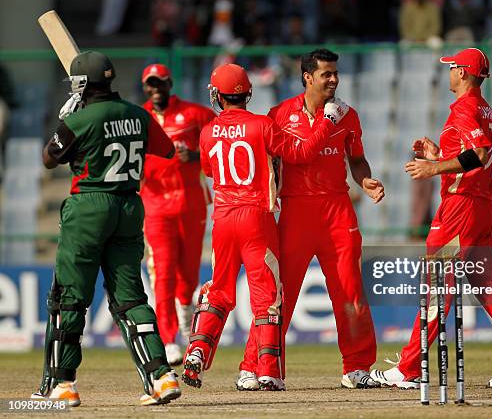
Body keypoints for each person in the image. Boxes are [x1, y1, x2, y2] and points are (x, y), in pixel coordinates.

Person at [370, 48, 492, 389]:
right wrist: (440, 154)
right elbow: (473, 154)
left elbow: (476, 155)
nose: (448, 73)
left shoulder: (464, 108)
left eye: (451, 68)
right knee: (488, 281)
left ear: (463, 73)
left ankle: (409, 368)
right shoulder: (485, 109)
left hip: (459, 208)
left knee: (436, 288)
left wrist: (434, 167)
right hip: (479, 205)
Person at [181, 63, 349, 391]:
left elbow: (210, 172)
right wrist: (328, 120)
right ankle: (269, 371)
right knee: (267, 296)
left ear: (218, 95)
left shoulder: (206, 131)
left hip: (223, 218)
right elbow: (302, 153)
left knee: (219, 290)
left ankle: (198, 351)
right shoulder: (262, 125)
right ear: (248, 93)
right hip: (256, 218)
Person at [31, 51, 180, 406]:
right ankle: (161, 377)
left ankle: (61, 384)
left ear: (82, 84)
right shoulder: (138, 113)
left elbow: (49, 158)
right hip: (129, 206)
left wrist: (65, 121)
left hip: (88, 207)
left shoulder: (81, 119)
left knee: (69, 298)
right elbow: (169, 150)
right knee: (130, 298)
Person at [239, 48, 385, 390]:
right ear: (308, 77)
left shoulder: (348, 115)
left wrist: (365, 181)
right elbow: (268, 163)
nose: (333, 80)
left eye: (335, 73)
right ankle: (257, 366)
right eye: (326, 74)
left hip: (337, 210)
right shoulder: (279, 114)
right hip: (295, 212)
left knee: (350, 291)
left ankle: (357, 368)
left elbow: (358, 160)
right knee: (277, 296)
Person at [140, 63, 216, 365]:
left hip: (191, 203)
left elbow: (221, 140)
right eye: (151, 84)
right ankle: (169, 337)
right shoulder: (139, 117)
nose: (156, 89)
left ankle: (185, 322)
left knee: (188, 276)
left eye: (161, 83)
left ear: (170, 84)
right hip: (155, 206)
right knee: (163, 273)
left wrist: (197, 155)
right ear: (146, 87)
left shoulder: (195, 114)